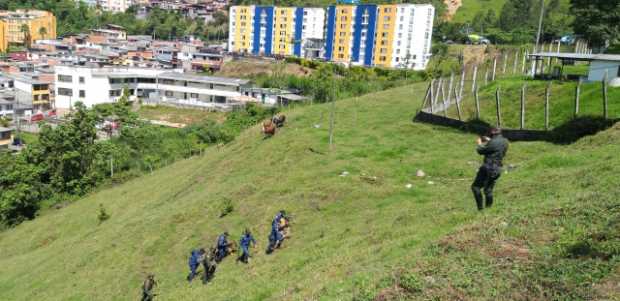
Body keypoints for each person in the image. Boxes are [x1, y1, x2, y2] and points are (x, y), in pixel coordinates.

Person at [471, 127, 509, 211]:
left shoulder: (493, 142)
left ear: (492, 132)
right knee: (488, 190)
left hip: (488, 167)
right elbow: (495, 147)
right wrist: (489, 140)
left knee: (475, 187)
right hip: (497, 168)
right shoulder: (505, 141)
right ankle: (488, 210)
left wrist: (479, 143)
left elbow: (480, 151)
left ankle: (480, 209)